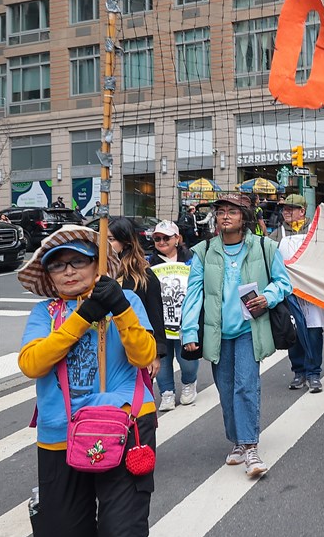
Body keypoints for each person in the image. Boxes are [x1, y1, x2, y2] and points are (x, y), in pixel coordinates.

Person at [18, 226, 157, 537]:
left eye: (78, 261)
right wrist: (81, 318)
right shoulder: (44, 314)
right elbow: (31, 363)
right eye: (58, 265)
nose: (68, 271)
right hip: (60, 435)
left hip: (125, 425)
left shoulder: (128, 300)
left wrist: (119, 308)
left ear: (97, 265)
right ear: (49, 276)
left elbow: (145, 356)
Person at [181, 193, 292, 477]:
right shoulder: (203, 252)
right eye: (221, 212)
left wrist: (267, 297)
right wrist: (189, 332)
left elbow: (284, 283)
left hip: (249, 331)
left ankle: (250, 445)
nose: (225, 216)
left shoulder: (265, 247)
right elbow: (193, 296)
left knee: (245, 386)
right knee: (226, 390)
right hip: (217, 334)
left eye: (232, 211)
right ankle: (237, 442)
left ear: (244, 218)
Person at [108, 217, 168, 405]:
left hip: (136, 348)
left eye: (110, 239)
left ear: (125, 242)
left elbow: (156, 316)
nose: (105, 244)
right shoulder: (98, 271)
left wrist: (155, 354)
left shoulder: (143, 275)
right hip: (106, 350)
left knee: (135, 407)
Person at [271, 194, 324, 393]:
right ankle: (299, 370)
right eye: (284, 209)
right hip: (289, 291)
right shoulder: (277, 235)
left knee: (313, 332)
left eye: (291, 208)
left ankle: (314, 372)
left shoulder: (315, 231)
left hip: (311, 292)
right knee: (292, 332)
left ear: (302, 211)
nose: (286, 212)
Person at [149, 220, 200, 408]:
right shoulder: (148, 263)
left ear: (177, 238)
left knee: (186, 358)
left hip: (185, 319)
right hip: (160, 319)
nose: (161, 241)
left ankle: (189, 383)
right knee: (162, 357)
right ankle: (166, 392)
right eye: (157, 238)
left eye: (166, 237)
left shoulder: (192, 259)